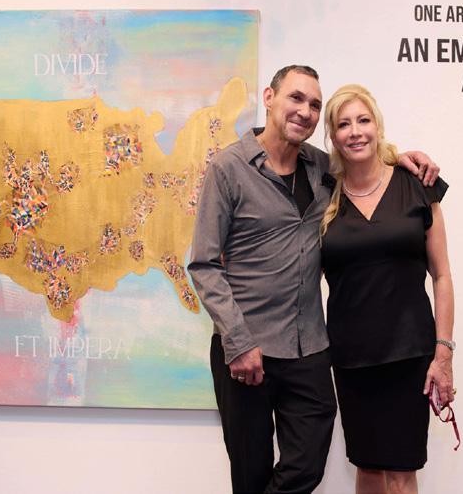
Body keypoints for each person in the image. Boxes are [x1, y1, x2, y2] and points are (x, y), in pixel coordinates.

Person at [188, 65, 441, 494]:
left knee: (307, 464)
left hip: (309, 348)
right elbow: (204, 264)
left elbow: (363, 164)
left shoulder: (322, 169)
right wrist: (238, 341)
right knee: (250, 474)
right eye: (296, 98)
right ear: (269, 98)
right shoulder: (228, 168)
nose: (305, 111)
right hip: (246, 348)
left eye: (314, 105)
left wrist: (400, 158)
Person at [319, 84, 455, 494]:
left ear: (377, 126)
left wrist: (443, 353)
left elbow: (442, 275)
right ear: (333, 136)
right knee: (367, 467)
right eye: (344, 124)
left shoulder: (417, 184)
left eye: (363, 120)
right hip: (352, 359)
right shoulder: (323, 194)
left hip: (409, 355)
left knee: (401, 474)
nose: (355, 131)